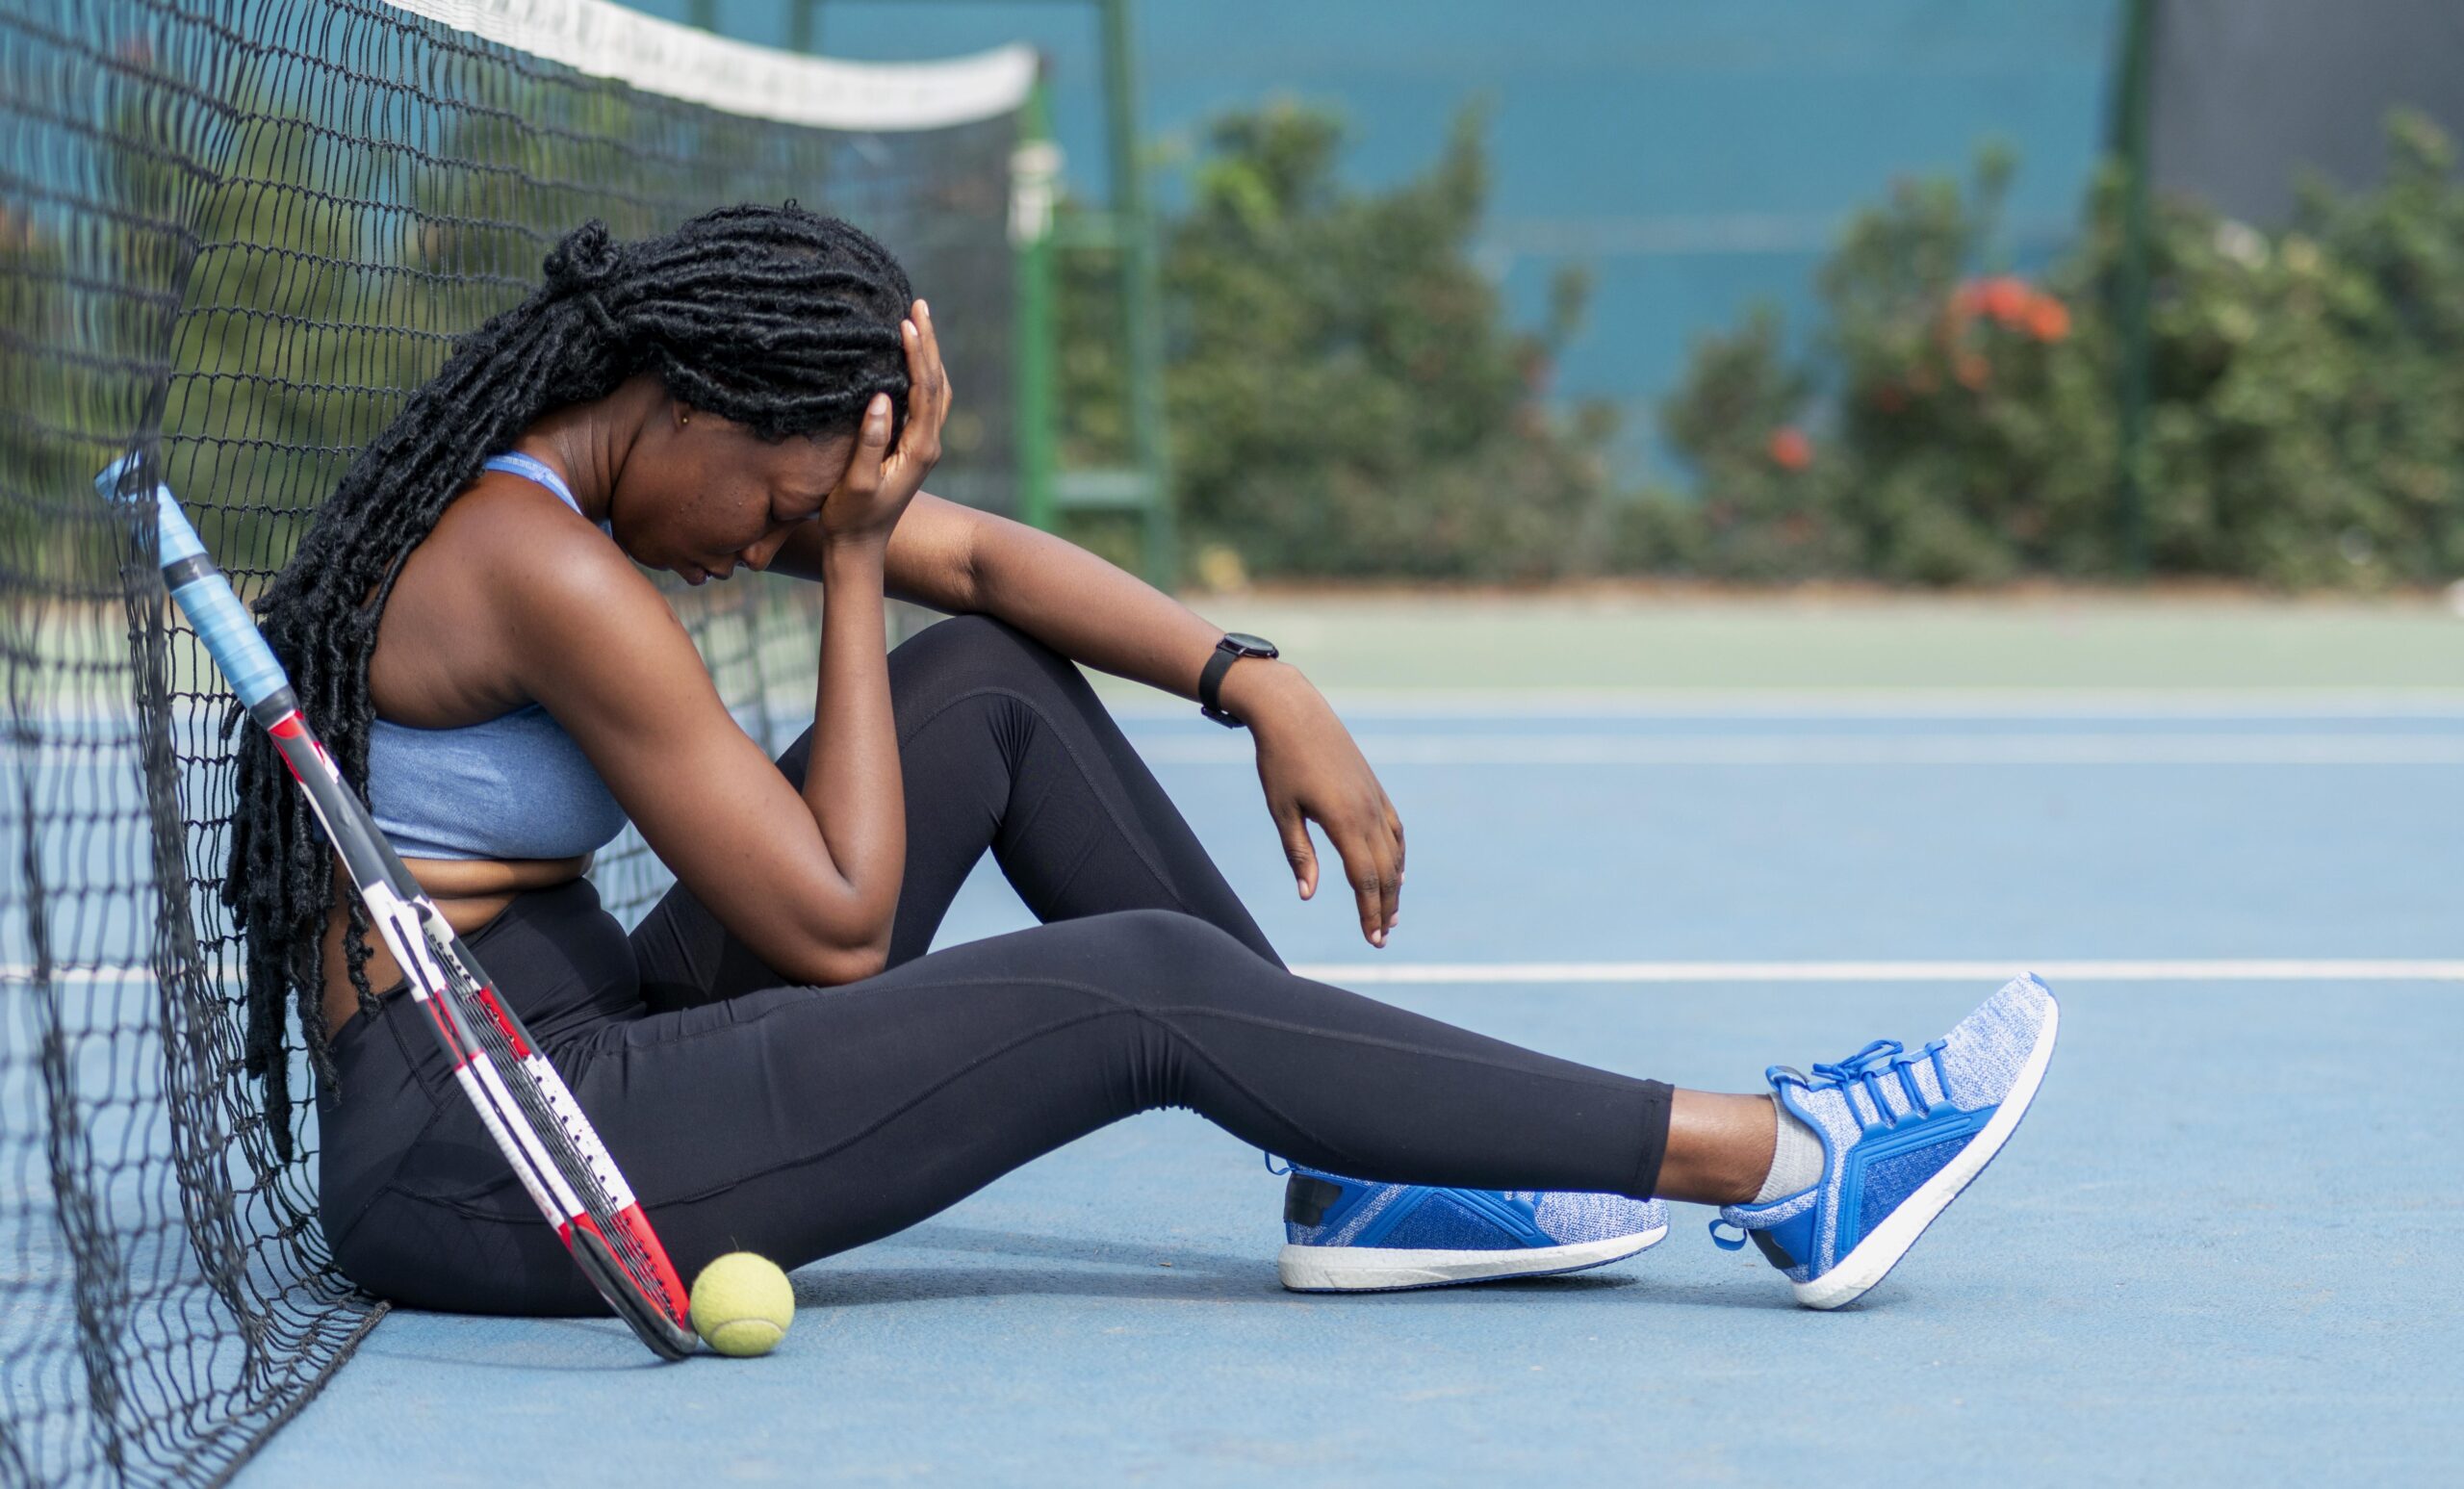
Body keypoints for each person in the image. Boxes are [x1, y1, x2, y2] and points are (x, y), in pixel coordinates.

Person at [229, 204, 2057, 1318]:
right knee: (1144, 988)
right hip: (504, 1156)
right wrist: (848, 560)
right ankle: (1782, 1164)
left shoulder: (603, 486)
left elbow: (975, 570)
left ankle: (1360, 1163)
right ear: (695, 403)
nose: (764, 545)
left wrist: (1251, 679)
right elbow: (841, 926)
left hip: (577, 1037)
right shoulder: (544, 564)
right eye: (782, 506)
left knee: (983, 686)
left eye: (805, 519)